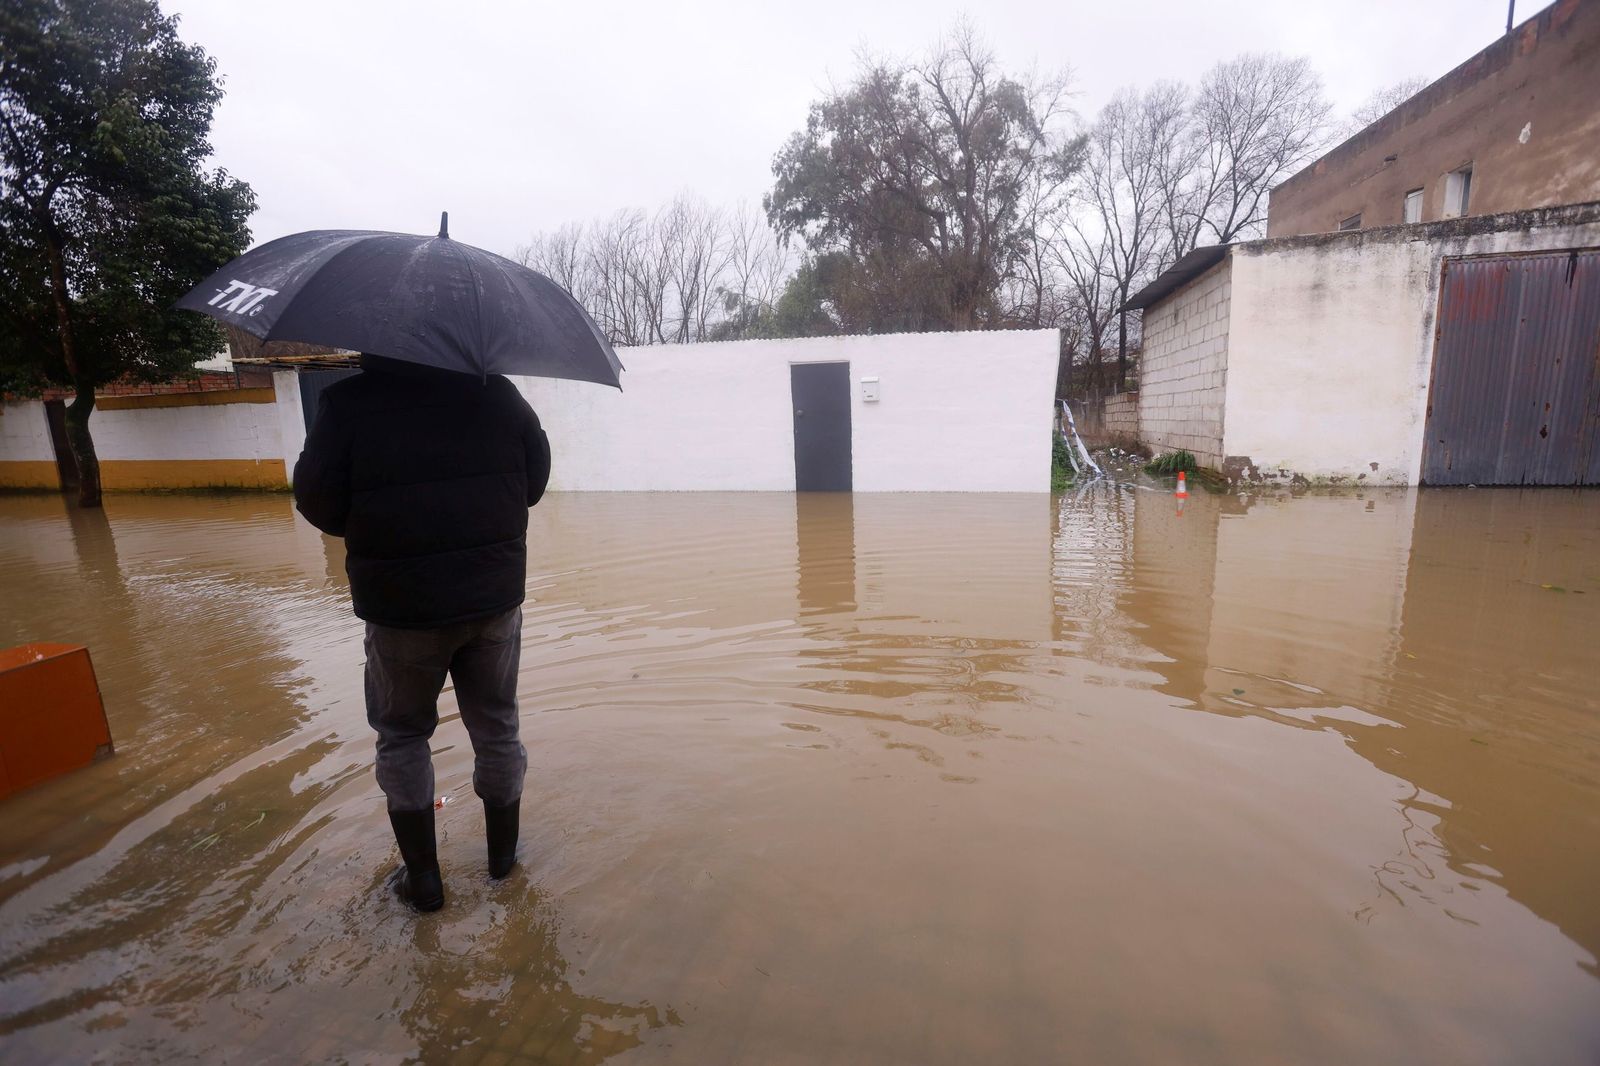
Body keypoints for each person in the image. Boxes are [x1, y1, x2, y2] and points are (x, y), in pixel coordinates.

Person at [292, 352, 551, 912]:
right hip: (492, 598)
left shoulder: (345, 404)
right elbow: (533, 484)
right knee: (497, 727)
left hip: (401, 608)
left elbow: (318, 504)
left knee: (403, 735)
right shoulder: (500, 394)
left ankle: (425, 883)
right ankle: (503, 864)